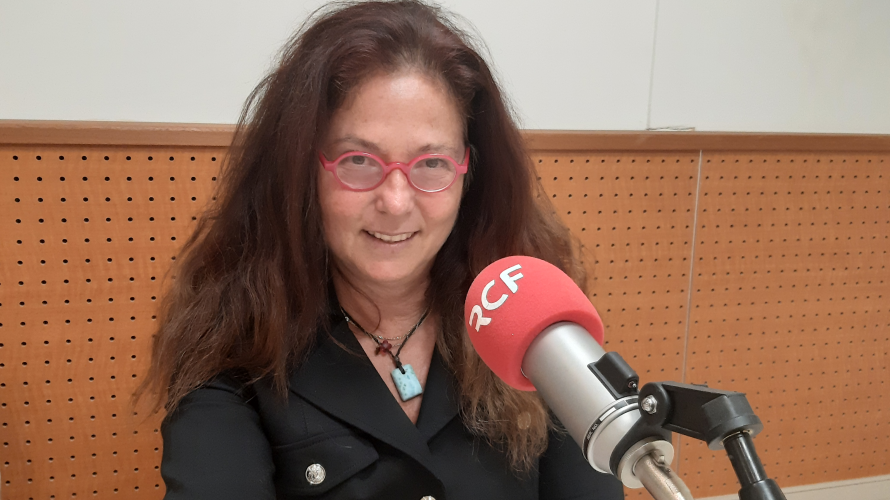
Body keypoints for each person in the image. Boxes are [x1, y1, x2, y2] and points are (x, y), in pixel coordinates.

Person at [139, 1, 626, 498]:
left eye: (431, 164)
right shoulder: (234, 342)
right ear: (302, 170)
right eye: (359, 160)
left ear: (469, 174)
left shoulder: (530, 323)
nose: (395, 202)